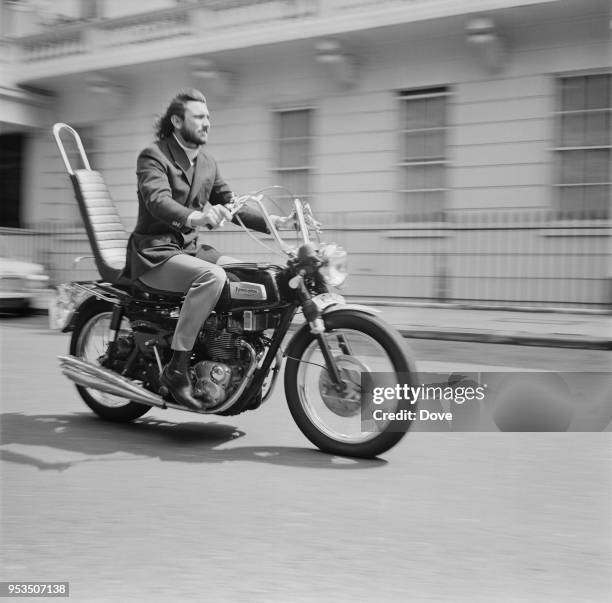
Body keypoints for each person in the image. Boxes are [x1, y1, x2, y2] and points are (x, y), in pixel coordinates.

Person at [123, 88, 291, 410]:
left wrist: (275, 223)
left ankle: (235, 350)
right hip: (156, 253)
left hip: (190, 249)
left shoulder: (207, 163)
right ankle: (177, 367)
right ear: (177, 120)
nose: (207, 123)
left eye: (208, 117)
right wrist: (196, 216)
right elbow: (158, 201)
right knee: (213, 277)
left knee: (250, 276)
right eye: (199, 116)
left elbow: (232, 204)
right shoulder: (153, 156)